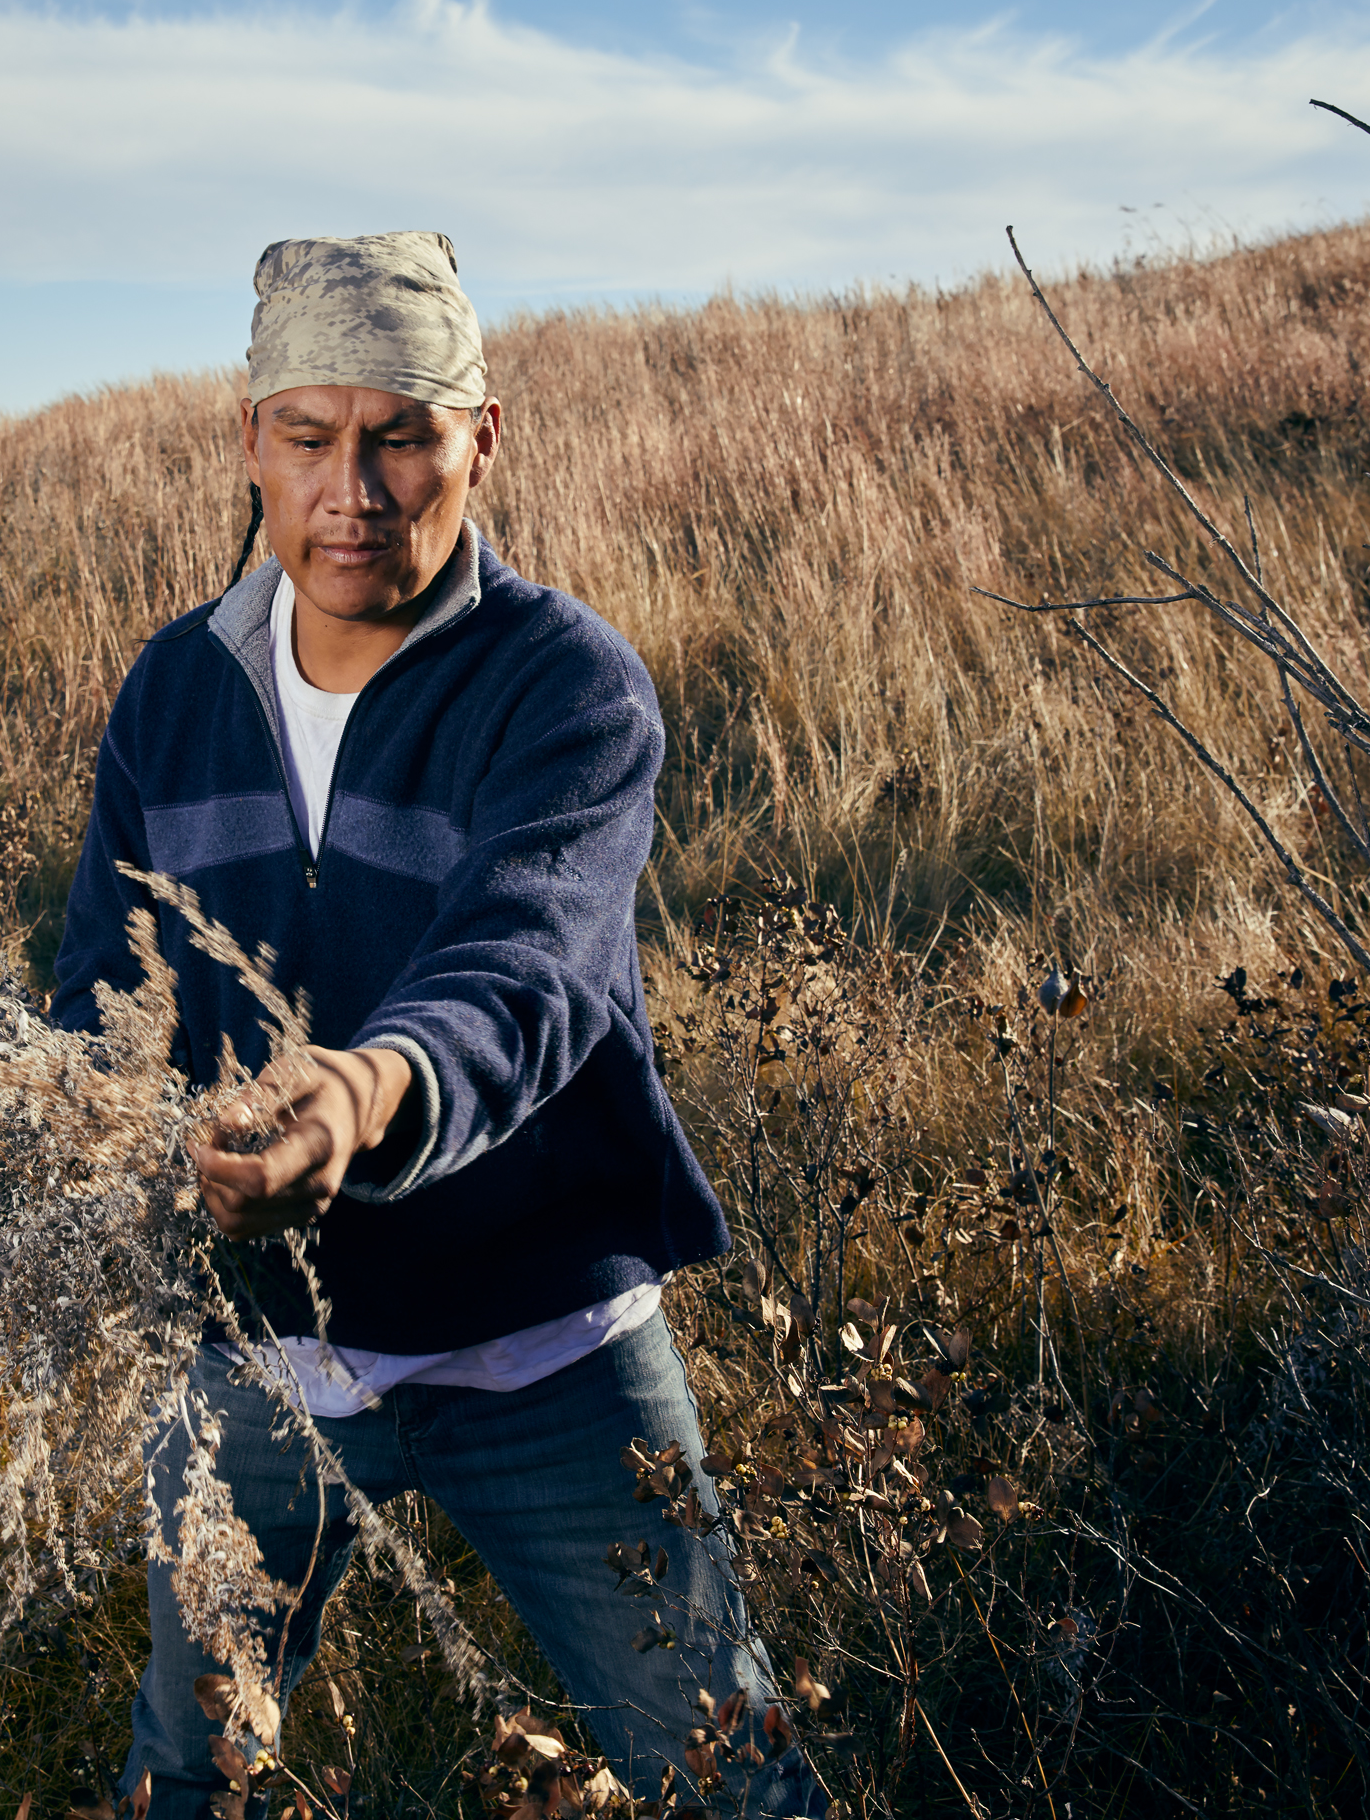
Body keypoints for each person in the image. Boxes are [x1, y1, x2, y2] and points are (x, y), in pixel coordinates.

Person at [51, 231, 827, 1820]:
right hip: (260, 1363)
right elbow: (101, 992)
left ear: (482, 439)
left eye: (402, 435)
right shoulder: (173, 695)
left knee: (731, 1787)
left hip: (542, 1351)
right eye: (313, 437)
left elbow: (525, 967)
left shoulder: (568, 690)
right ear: (247, 441)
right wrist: (75, 1134)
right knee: (191, 1779)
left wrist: (361, 1099)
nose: (358, 491)